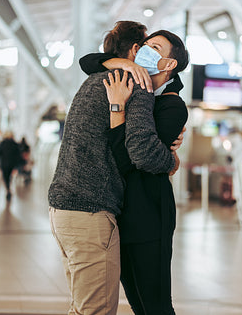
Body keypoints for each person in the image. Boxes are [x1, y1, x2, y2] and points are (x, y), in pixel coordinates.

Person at [48, 21, 181, 315]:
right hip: (91, 212)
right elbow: (143, 153)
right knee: (95, 310)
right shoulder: (138, 84)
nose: (148, 52)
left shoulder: (95, 79)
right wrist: (171, 160)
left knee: (81, 307)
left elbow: (88, 61)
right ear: (135, 50)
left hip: (62, 210)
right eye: (147, 46)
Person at [86, 30, 189, 314]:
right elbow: (88, 61)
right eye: (144, 45)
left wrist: (117, 111)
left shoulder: (171, 106)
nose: (144, 50)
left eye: (155, 47)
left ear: (168, 65)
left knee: (155, 305)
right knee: (136, 302)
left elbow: (130, 158)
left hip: (149, 217)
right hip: (122, 214)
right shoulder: (138, 92)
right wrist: (126, 65)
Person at [0, 131, 21, 201]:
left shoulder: (2, 143)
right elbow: (18, 155)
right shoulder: (15, 144)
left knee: (5, 177)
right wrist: (16, 165)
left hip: (4, 164)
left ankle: (7, 189)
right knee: (10, 177)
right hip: (12, 165)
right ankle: (9, 188)